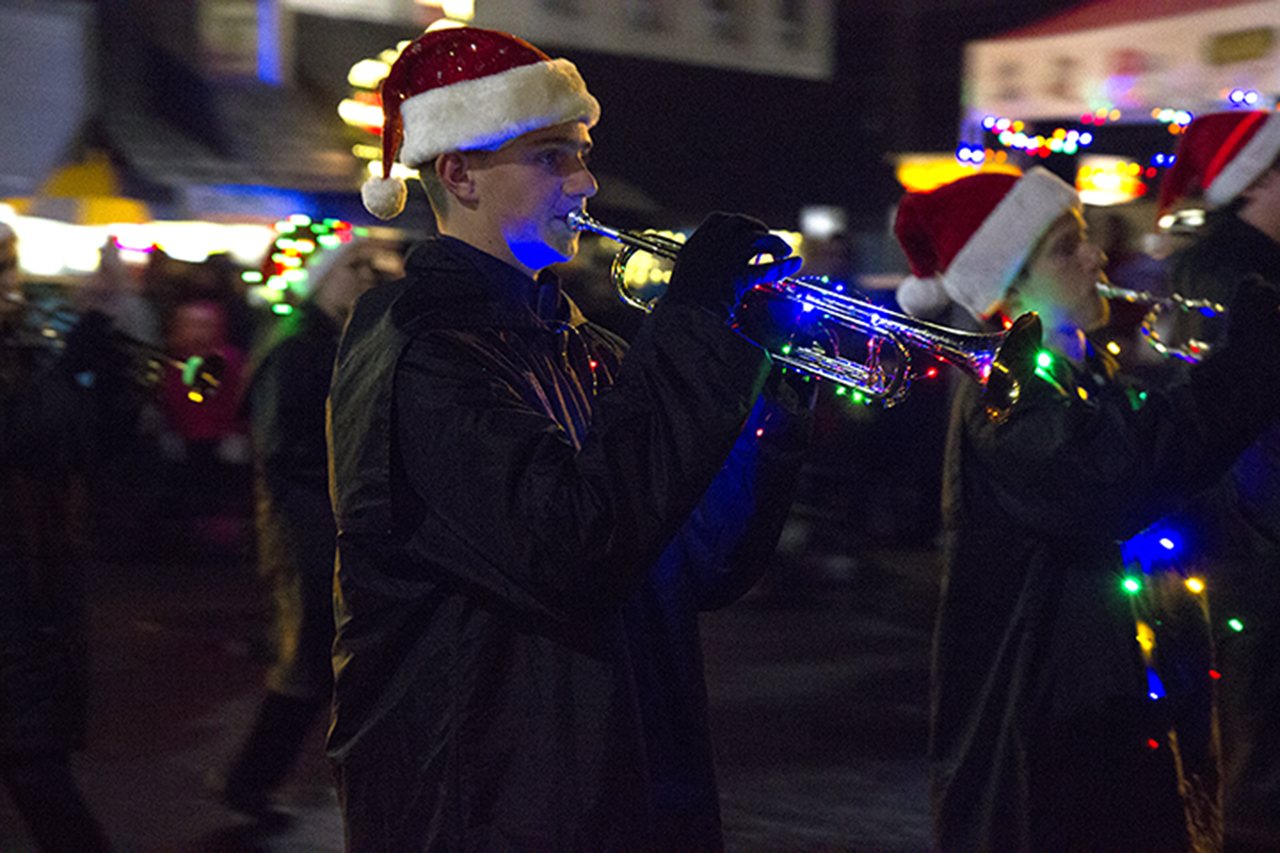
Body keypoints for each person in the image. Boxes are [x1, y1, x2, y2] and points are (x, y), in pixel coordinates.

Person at [326, 26, 813, 850]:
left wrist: (765, 385)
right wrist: (692, 325)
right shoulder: (423, 355)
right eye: (552, 155)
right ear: (458, 173)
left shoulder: (581, 343)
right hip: (487, 801)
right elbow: (573, 545)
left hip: (614, 780)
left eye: (582, 152)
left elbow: (698, 562)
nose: (585, 180)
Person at [893, 166, 1280, 851]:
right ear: (1009, 284)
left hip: (1103, 715)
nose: (1094, 256)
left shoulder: (1082, 378)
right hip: (1048, 736)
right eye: (1066, 248)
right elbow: (1119, 477)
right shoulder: (1006, 397)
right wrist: (1244, 367)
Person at [212, 236, 403, 815]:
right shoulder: (297, 345)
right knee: (309, 659)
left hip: (322, 521)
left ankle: (254, 780)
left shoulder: (327, 339)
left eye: (373, 268)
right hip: (304, 527)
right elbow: (281, 445)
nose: (366, 277)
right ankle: (250, 780)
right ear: (323, 277)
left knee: (320, 661)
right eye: (354, 267)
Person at [1156, 110, 1280, 852]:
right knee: (1255, 747)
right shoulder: (1227, 271)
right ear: (1260, 177)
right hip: (1251, 540)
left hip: (1255, 531)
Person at [1, 221, 114, 851]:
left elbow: (77, 447)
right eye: (4, 272)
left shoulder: (19, 351)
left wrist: (99, 379)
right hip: (15, 596)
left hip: (27, 585)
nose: (15, 287)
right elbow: (27, 431)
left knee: (36, 766)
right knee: (38, 770)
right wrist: (73, 362)